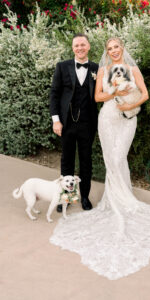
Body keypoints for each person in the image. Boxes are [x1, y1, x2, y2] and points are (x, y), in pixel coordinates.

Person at [50, 37, 150, 280]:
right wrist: (113, 93)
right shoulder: (84, 69)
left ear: (122, 48)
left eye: (116, 47)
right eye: (109, 48)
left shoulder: (123, 69)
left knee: (113, 157)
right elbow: (91, 96)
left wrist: (128, 103)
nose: (113, 51)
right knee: (78, 160)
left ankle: (111, 199)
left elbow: (144, 94)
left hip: (119, 119)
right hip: (91, 120)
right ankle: (73, 199)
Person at [50, 33, 98, 212]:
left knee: (86, 161)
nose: (80, 48)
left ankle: (84, 197)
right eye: (76, 45)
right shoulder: (62, 67)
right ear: (72, 48)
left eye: (83, 45)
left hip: (88, 123)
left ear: (89, 46)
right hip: (66, 123)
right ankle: (67, 198)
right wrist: (56, 120)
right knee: (67, 160)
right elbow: (54, 94)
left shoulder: (96, 68)